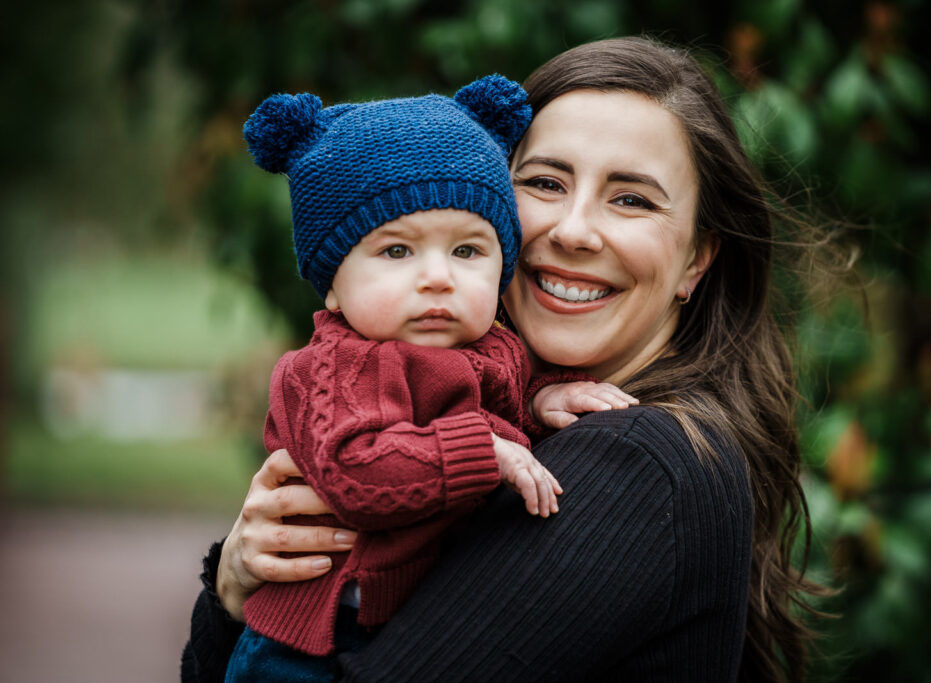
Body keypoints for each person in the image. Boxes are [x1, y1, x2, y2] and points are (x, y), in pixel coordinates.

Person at [183, 35, 841, 682]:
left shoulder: (638, 461)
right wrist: (235, 586)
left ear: (696, 259)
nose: (573, 230)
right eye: (545, 182)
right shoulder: (506, 404)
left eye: (631, 198)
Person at [222, 75, 637, 682]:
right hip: (313, 646)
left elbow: (493, 397)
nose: (438, 277)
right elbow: (355, 470)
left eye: (468, 251)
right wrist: (484, 453)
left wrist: (545, 394)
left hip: (398, 626)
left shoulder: (493, 347)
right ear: (333, 284)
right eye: (397, 252)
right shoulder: (333, 368)